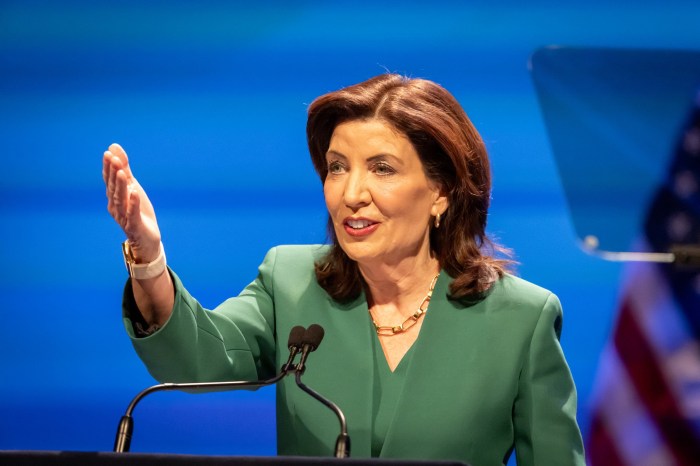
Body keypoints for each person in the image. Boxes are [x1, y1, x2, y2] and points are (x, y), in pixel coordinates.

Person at [103, 74, 585, 466]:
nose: (351, 193)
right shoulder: (290, 280)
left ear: (441, 191)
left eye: (382, 168)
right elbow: (197, 361)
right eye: (337, 167)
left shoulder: (522, 318)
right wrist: (149, 256)